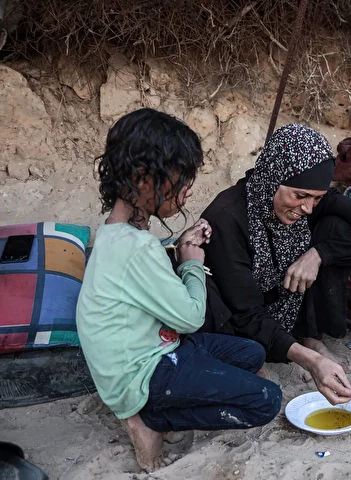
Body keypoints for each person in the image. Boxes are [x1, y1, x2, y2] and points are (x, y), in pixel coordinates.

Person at [76, 108, 282, 472]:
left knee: (251, 353)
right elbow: (190, 318)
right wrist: (191, 261)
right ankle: (150, 419)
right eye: (182, 183)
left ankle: (168, 404)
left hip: (154, 348)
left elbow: (151, 283)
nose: (187, 193)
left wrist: (181, 245)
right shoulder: (136, 248)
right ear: (143, 180)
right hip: (144, 374)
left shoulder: (116, 234)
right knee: (266, 399)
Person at [201, 123, 351, 405]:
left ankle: (307, 335)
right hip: (238, 314)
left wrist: (318, 254)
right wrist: (310, 362)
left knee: (336, 227)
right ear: (273, 178)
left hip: (284, 300)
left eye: (317, 198)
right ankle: (255, 356)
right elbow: (246, 312)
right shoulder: (227, 217)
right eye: (299, 196)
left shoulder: (310, 193)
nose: (307, 208)